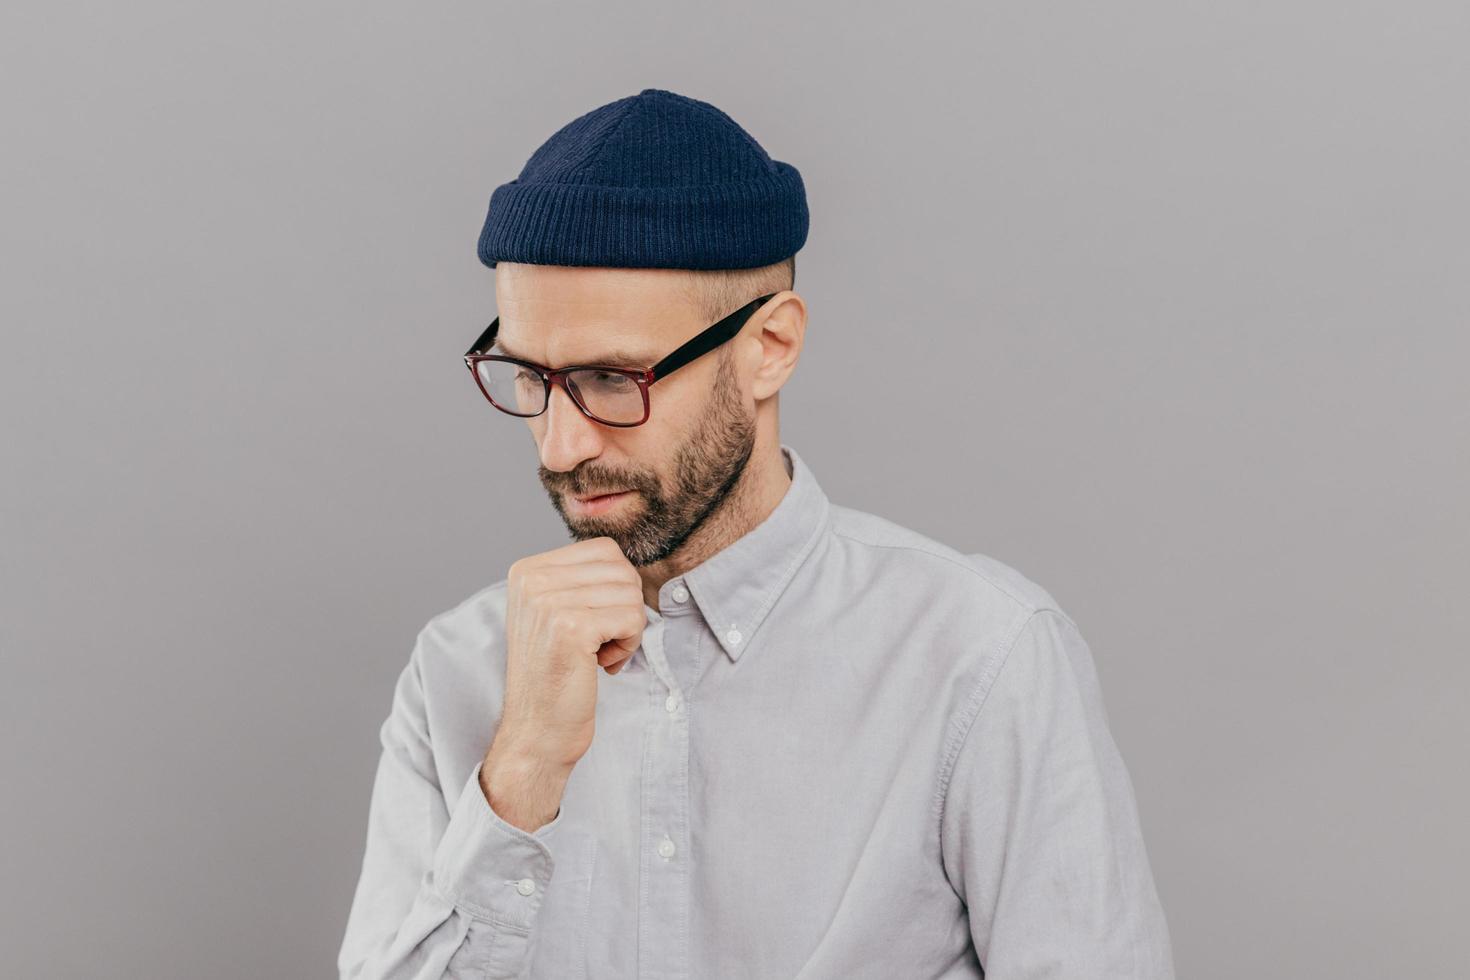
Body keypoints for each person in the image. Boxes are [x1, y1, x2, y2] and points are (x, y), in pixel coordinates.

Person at [337, 87, 1176, 979]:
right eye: (527, 375)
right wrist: (524, 769)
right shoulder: (458, 672)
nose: (560, 442)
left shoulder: (980, 658)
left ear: (769, 346)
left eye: (615, 380)